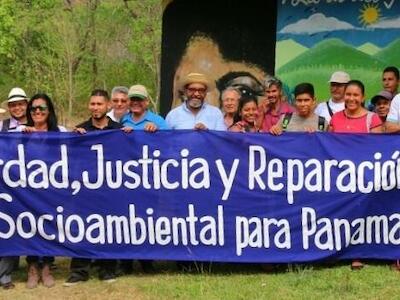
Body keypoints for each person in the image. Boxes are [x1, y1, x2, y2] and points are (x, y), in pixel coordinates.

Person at [64, 89, 130, 286]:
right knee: (82, 228)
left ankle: (107, 269)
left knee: (108, 227)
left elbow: (128, 157)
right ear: (88, 106)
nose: (95, 108)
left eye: (99, 104)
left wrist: (130, 138)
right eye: (92, 104)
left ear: (108, 105)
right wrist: (73, 139)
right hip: (85, 189)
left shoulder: (118, 130)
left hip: (109, 189)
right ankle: (79, 271)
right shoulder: (80, 130)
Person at [21, 93, 67, 288]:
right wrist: (23, 138)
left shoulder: (61, 132)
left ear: (49, 111)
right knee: (30, 226)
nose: (38, 112)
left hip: (52, 190)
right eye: (34, 109)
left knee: (49, 227)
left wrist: (82, 133)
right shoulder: (21, 133)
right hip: (27, 191)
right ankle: (32, 266)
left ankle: (47, 265)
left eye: (42, 108)